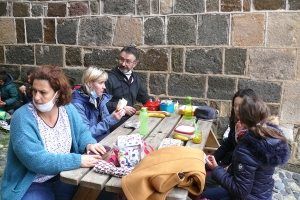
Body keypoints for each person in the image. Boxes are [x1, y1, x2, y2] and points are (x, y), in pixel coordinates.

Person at [1, 66, 107, 200]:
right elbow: (37, 161)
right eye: (34, 91)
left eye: (43, 92)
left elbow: (81, 132)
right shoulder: (22, 118)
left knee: (101, 191)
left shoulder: (67, 110)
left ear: (58, 93)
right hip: (33, 182)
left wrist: (89, 144)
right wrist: (78, 160)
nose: (36, 97)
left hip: (65, 175)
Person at [200, 96, 289, 200]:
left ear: (241, 121)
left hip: (248, 196)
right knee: (206, 195)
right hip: (262, 193)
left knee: (203, 197)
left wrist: (216, 169)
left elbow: (240, 191)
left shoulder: (246, 149)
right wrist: (239, 137)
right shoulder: (271, 135)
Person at [72, 67, 125, 142]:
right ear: (89, 83)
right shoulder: (77, 104)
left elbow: (106, 120)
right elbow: (86, 134)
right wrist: (112, 119)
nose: (104, 87)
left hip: (103, 136)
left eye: (104, 82)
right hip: (88, 144)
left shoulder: (98, 97)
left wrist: (116, 116)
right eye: (100, 83)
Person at [105, 46, 151, 132]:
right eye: (121, 59)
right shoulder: (109, 79)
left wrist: (156, 104)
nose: (123, 64)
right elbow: (102, 104)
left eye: (128, 61)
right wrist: (123, 108)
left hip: (131, 121)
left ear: (135, 64)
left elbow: (145, 99)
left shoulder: (135, 79)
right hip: (113, 123)